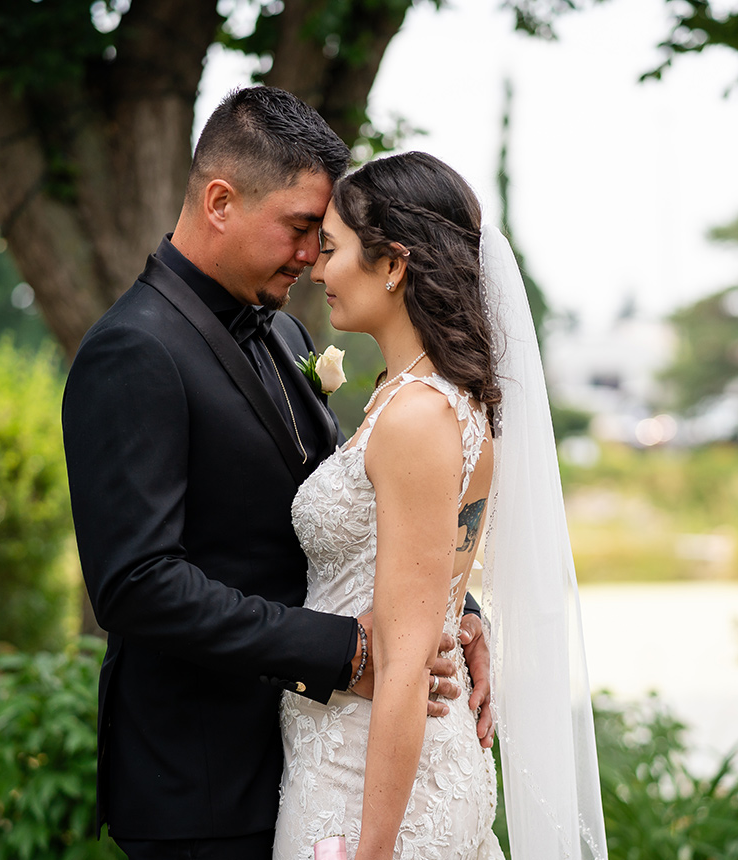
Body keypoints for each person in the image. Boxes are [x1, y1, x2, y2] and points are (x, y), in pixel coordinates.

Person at [61, 87, 490, 860]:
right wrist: (348, 653)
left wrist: (448, 613)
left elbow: (358, 518)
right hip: (203, 782)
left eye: (322, 237)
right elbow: (135, 583)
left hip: (314, 761)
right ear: (220, 201)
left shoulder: (286, 328)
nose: (311, 257)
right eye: (299, 229)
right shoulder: (132, 351)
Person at [272, 152, 608, 860]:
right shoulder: (425, 401)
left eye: (331, 249)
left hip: (366, 776)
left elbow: (404, 657)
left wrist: (374, 849)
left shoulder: (417, 416)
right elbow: (436, 588)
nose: (316, 269)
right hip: (361, 755)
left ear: (392, 264)